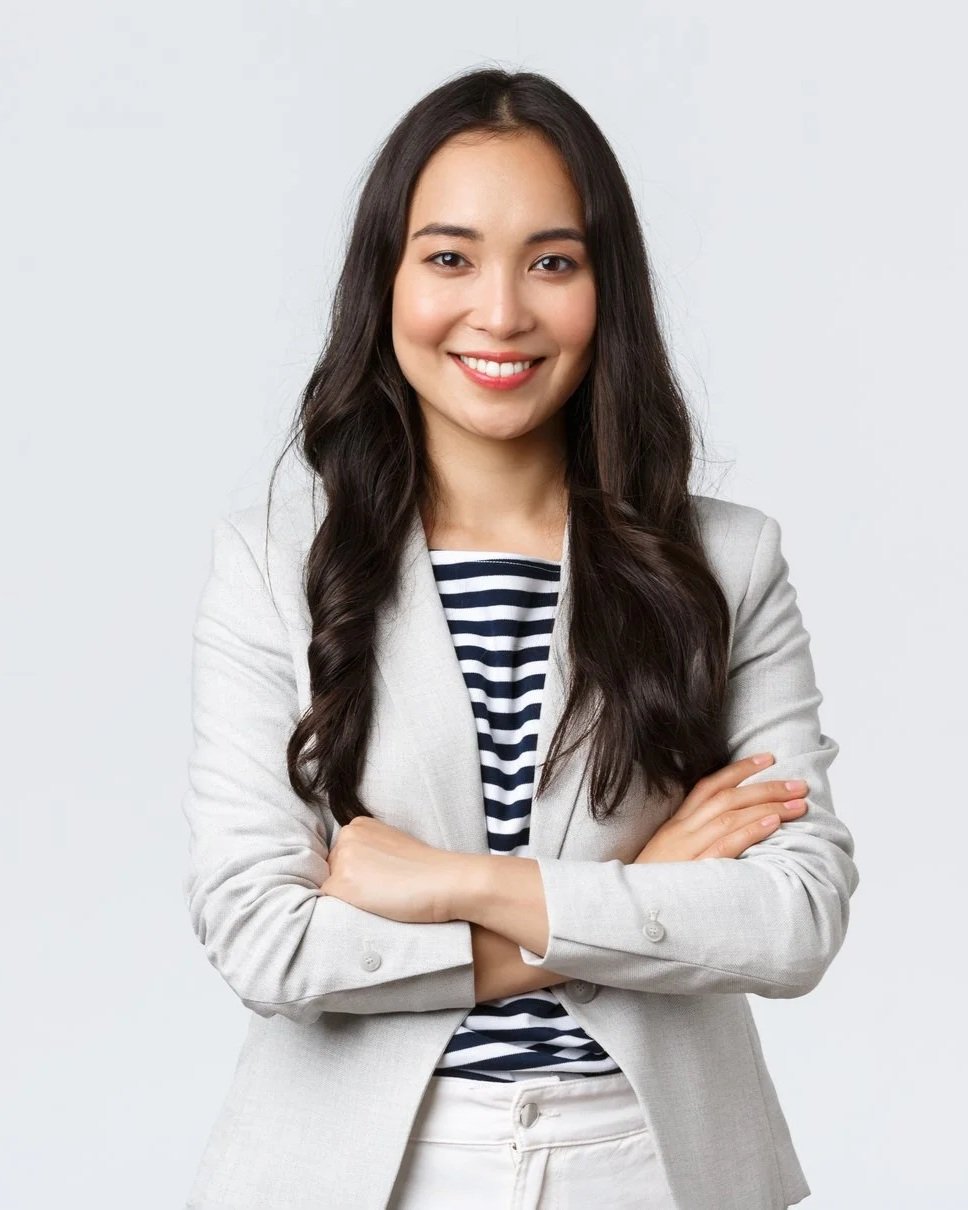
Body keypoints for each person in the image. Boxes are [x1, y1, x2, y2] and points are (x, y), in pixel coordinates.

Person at [181, 67, 859, 1210]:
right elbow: (266, 939)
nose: (499, 311)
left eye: (552, 260)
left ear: (607, 288)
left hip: (657, 1167)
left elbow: (791, 916)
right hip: (359, 1174)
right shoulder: (274, 563)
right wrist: (638, 890)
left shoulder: (723, 560)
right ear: (385, 281)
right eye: (449, 257)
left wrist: (455, 883)